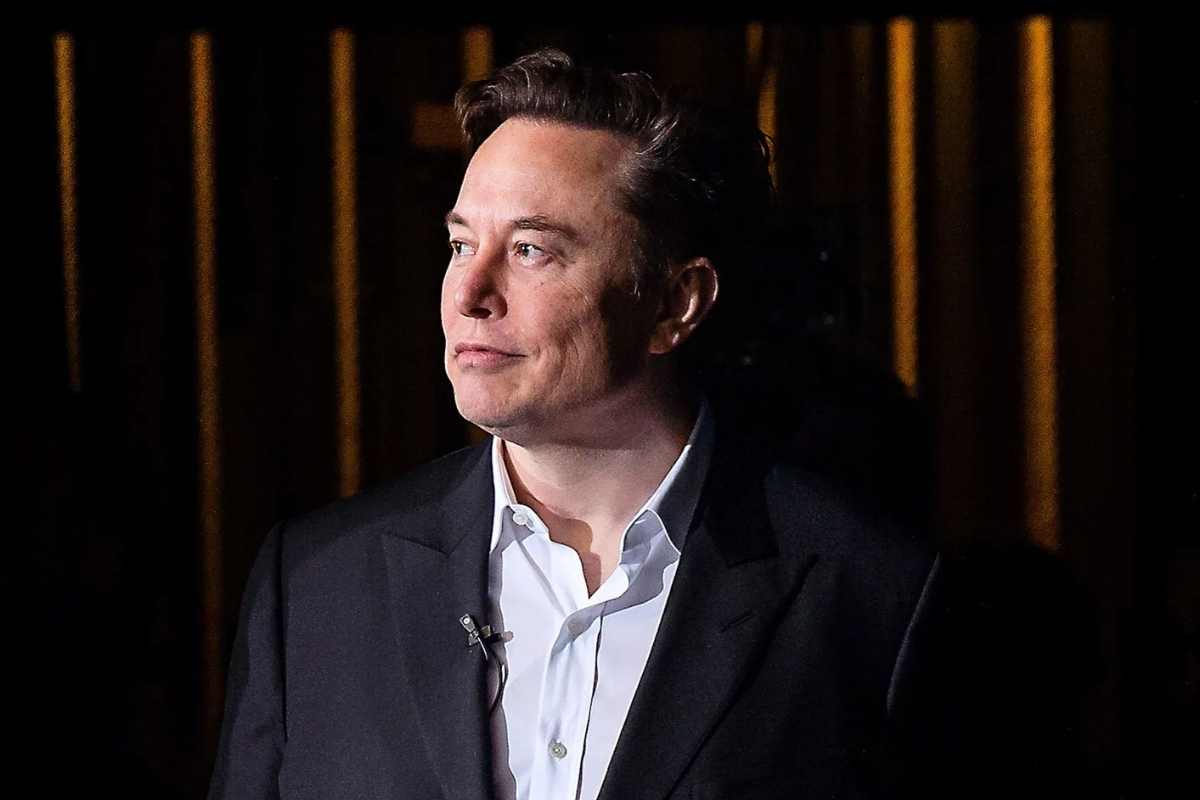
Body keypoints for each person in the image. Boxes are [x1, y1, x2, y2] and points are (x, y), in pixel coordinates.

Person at [208, 48, 1083, 800]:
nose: (468, 294)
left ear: (675, 302)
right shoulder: (316, 584)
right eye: (461, 243)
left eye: (531, 250)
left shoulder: (870, 596)